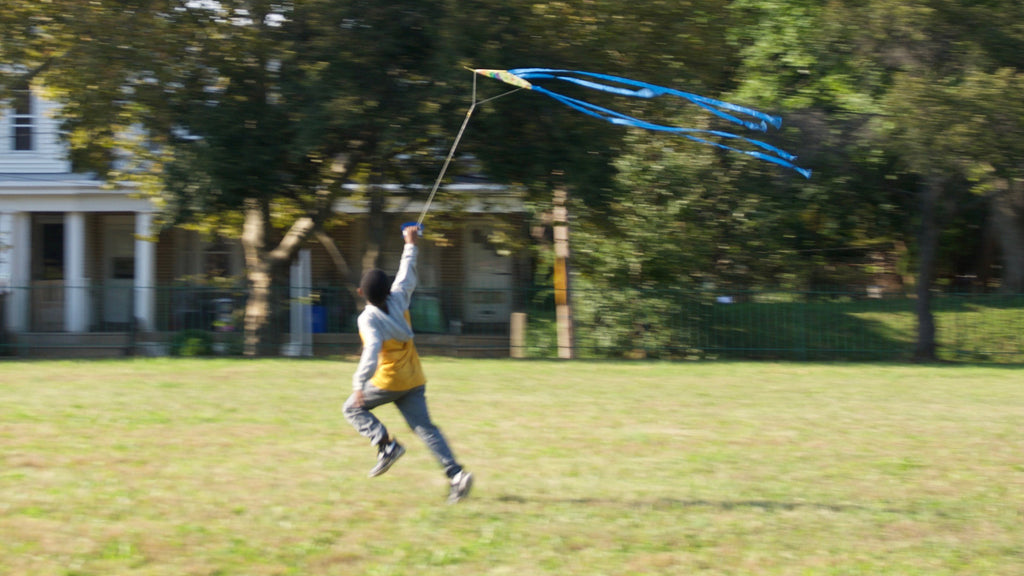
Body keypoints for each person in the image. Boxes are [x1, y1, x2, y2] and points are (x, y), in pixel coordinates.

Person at [343, 223, 473, 504]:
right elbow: (406, 273)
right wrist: (410, 243)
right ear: (388, 290)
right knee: (426, 429)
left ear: (361, 292)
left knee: (351, 408)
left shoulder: (368, 318)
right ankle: (456, 474)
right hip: (414, 377)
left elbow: (371, 350)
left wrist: (358, 384)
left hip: (388, 381)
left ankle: (387, 446)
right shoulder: (399, 298)